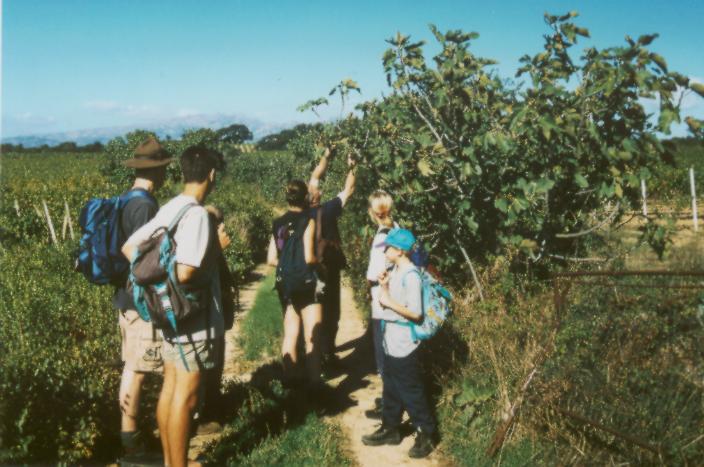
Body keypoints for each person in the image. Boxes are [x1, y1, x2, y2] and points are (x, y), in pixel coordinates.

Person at [123, 144, 226, 467]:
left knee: (171, 389)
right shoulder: (196, 215)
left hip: (170, 318)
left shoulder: (171, 207)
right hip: (192, 319)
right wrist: (215, 249)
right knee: (188, 396)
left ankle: (171, 462)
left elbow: (130, 248)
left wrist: (159, 290)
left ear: (183, 172)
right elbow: (186, 271)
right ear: (212, 175)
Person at [114, 137, 171, 461]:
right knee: (137, 371)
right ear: (157, 169)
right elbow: (143, 258)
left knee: (134, 368)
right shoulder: (145, 206)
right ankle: (132, 445)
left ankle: (133, 436)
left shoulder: (126, 200)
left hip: (125, 298)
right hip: (139, 302)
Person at [361, 228, 436, 459]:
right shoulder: (395, 270)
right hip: (390, 340)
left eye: (389, 248)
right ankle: (391, 428)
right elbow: (391, 300)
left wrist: (388, 302)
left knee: (411, 390)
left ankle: (428, 433)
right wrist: (384, 286)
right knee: (391, 387)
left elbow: (416, 314)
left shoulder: (411, 275)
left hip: (404, 343)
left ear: (401, 251)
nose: (385, 250)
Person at [267, 180, 322, 386]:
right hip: (306, 282)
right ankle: (316, 385)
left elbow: (271, 259)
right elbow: (309, 257)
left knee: (290, 333)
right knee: (312, 335)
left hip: (285, 283)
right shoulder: (308, 219)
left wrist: (287, 266)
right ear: (305, 197)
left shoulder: (278, 223)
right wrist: (321, 264)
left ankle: (290, 384)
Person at [307, 147, 357, 368]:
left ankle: (312, 354)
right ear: (316, 196)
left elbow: (316, 176)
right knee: (331, 310)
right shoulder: (327, 210)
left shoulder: (300, 214)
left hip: (307, 269)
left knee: (312, 309)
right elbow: (349, 189)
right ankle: (328, 353)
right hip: (329, 267)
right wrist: (353, 165)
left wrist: (326, 157)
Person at [364, 190, 398, 420]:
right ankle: (391, 399)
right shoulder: (397, 228)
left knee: (383, 357)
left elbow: (373, 274)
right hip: (397, 298)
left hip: (382, 302)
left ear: (372, 212)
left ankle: (390, 408)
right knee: (393, 351)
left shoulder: (380, 237)